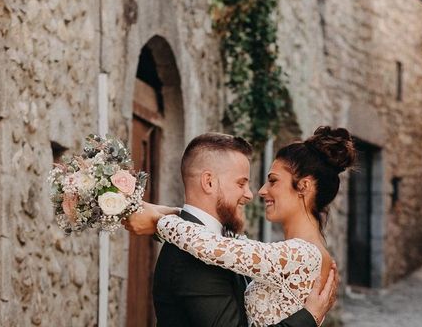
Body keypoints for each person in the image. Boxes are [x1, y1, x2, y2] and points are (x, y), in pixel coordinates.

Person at [124, 131, 345, 327]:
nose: (257, 192)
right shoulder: (279, 252)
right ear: (208, 182)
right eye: (241, 183)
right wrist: (168, 212)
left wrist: (159, 221)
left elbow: (211, 246)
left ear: (304, 186)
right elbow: (231, 245)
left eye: (273, 181)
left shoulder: (300, 254)